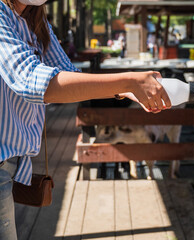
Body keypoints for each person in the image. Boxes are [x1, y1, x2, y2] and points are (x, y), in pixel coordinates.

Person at [0, 0, 171, 239]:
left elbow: (68, 73)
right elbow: (32, 81)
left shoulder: (37, 22)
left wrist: (127, 91)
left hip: (15, 164)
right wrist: (128, 81)